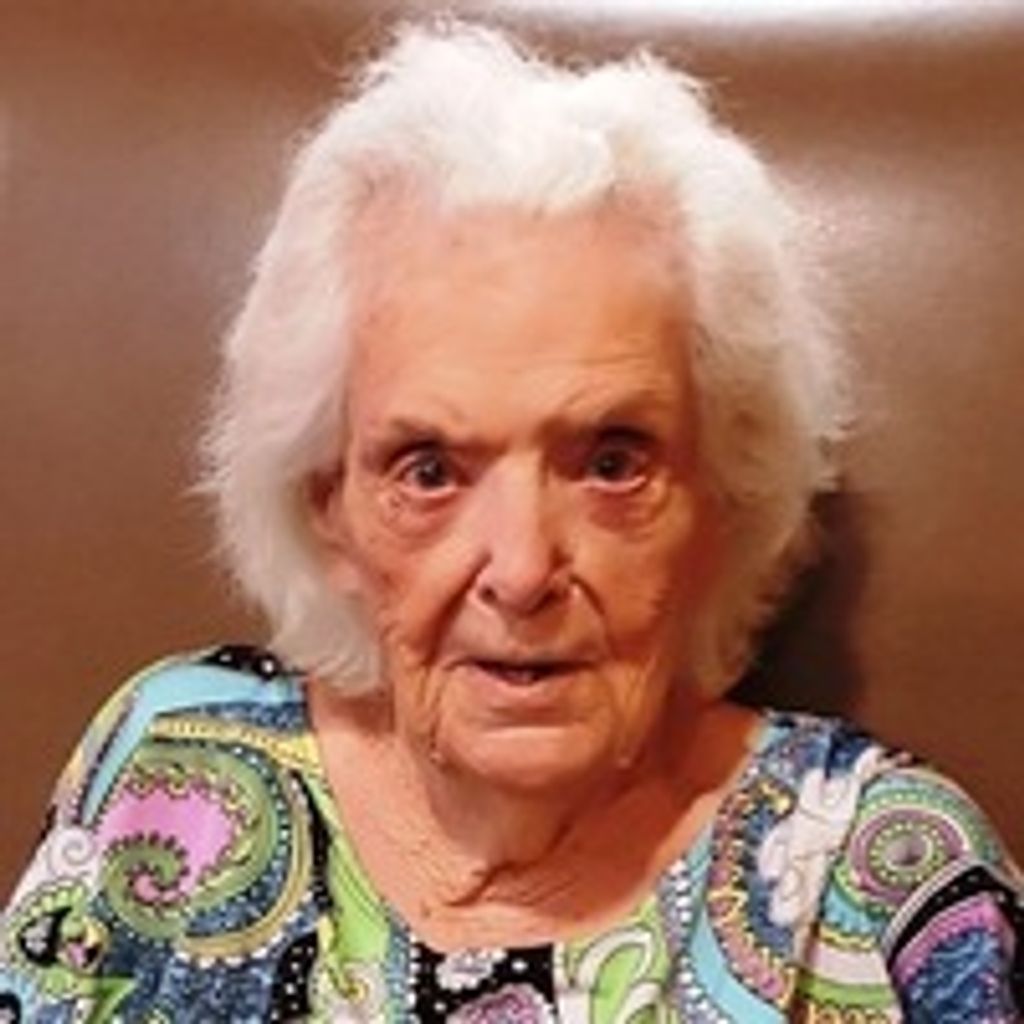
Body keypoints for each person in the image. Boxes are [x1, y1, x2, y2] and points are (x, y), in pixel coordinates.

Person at [2, 22, 1021, 1023]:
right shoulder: (172, 770)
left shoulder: (880, 883)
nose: (523, 570)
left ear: (725, 494)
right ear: (329, 510)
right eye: (430, 471)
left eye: (611, 464)